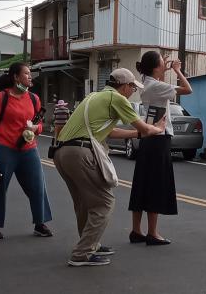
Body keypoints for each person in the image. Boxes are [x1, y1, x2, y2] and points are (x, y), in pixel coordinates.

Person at [54, 68, 166, 267]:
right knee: (104, 202)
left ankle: (90, 245)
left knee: (84, 203)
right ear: (124, 86)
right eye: (133, 87)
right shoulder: (117, 98)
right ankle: (82, 253)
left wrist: (137, 135)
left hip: (62, 153)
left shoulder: (94, 96)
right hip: (81, 152)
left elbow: (108, 131)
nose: (133, 91)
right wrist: (157, 128)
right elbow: (144, 127)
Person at [128, 52, 192, 245]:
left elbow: (155, 74)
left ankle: (136, 231)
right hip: (159, 137)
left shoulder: (146, 82)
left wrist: (161, 65)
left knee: (142, 183)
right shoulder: (157, 86)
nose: (165, 64)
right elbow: (188, 89)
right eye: (162, 62)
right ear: (156, 67)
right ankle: (153, 233)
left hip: (148, 136)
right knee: (155, 184)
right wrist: (178, 71)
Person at [0, 62, 53, 239]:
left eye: (30, 74)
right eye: (26, 74)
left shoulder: (33, 99)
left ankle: (40, 223)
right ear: (15, 77)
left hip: (29, 148)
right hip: (5, 148)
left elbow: (40, 124)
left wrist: (34, 129)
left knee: (38, 185)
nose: (30, 77)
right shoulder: (2, 97)